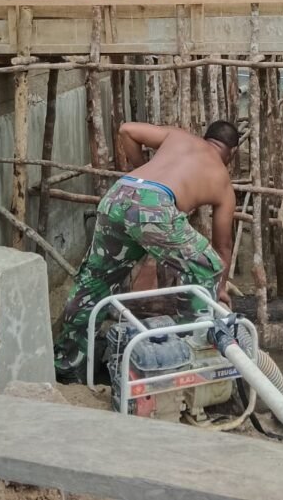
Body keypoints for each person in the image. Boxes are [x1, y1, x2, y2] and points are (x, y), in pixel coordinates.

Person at [53, 120, 239, 383]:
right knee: (207, 266)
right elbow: (223, 247)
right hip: (155, 205)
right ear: (231, 153)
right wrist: (219, 289)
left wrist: (139, 168)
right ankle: (192, 353)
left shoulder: (179, 137)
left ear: (205, 137)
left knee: (94, 284)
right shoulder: (222, 181)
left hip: (118, 194)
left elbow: (126, 129)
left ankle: (67, 364)